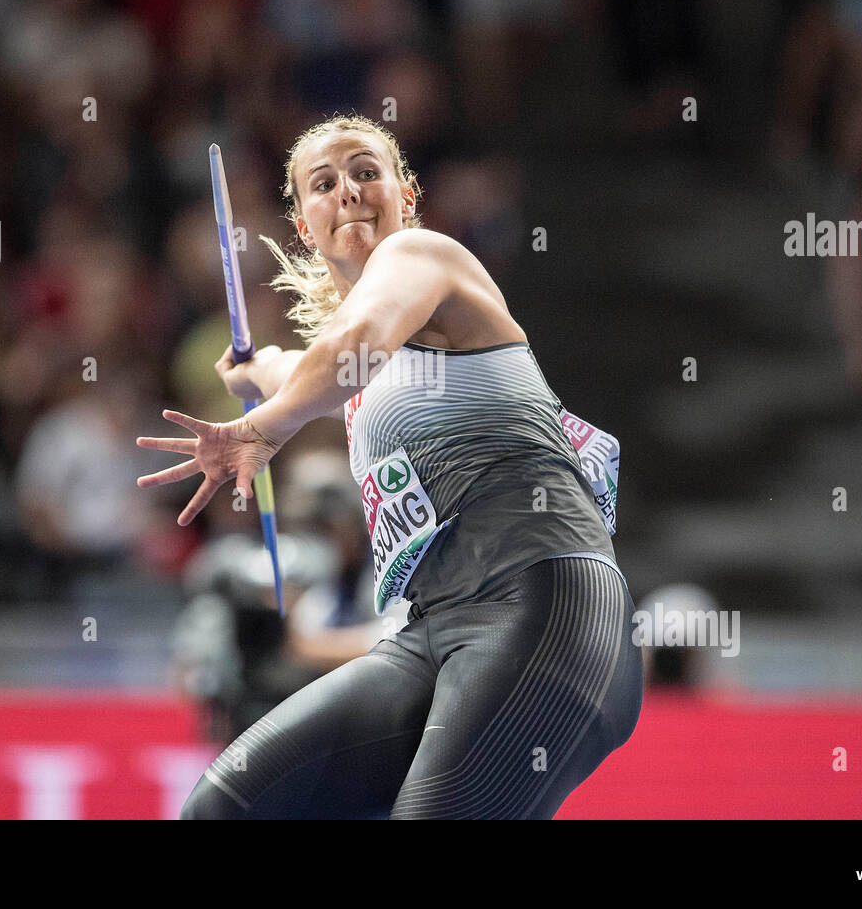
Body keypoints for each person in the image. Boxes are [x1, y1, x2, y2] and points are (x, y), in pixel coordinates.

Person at [137, 114, 642, 819]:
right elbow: (306, 367)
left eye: (365, 171)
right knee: (226, 806)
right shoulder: (355, 372)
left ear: (405, 195)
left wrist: (260, 425)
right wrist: (254, 376)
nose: (347, 189)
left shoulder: (424, 257)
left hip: (543, 609)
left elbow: (356, 344)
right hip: (431, 632)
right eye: (323, 182)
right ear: (304, 224)